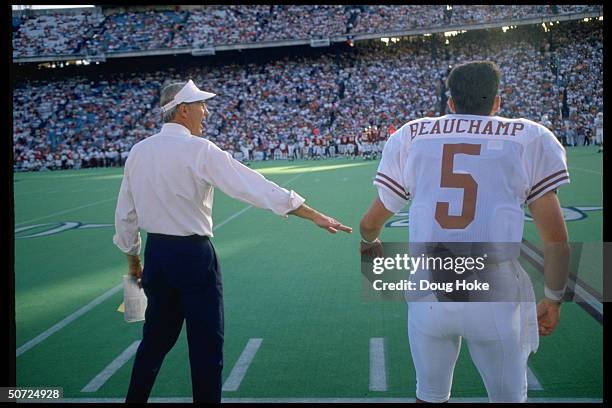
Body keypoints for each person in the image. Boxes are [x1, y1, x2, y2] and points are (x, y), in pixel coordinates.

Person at [113, 79, 352, 403]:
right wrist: (311, 214)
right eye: (200, 105)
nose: (205, 111)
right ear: (183, 110)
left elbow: (125, 214)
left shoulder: (138, 152)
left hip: (158, 256)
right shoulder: (199, 150)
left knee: (153, 342)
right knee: (207, 347)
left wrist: (134, 261)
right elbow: (251, 185)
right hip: (194, 257)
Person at [359, 61, 570, 403]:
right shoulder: (529, 137)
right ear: (497, 102)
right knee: (507, 398)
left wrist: (370, 243)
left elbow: (369, 223)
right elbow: (556, 239)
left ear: (451, 103)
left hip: (429, 289)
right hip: (494, 293)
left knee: (429, 394)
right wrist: (554, 297)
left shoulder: (412, 135)